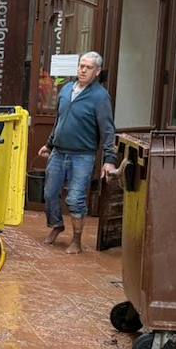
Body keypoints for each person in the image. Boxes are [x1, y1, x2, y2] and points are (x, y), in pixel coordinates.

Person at [38, 51, 118, 255]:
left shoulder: (100, 97)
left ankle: (76, 240)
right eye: (81, 66)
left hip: (83, 155)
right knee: (49, 193)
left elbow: (107, 130)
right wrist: (49, 144)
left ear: (97, 72)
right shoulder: (66, 90)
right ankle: (57, 225)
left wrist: (109, 160)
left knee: (75, 198)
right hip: (59, 152)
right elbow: (59, 120)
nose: (82, 70)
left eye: (88, 67)